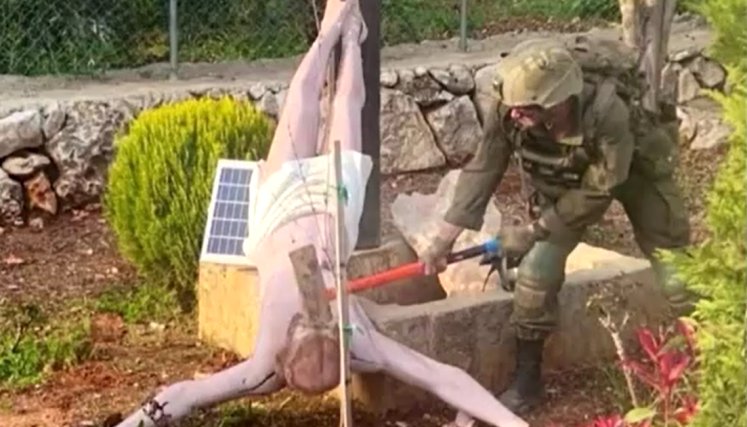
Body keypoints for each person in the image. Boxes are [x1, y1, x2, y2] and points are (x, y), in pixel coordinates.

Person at [112, 1, 528, 427]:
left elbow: (184, 395)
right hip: (331, 208)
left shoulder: (280, 363)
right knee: (342, 105)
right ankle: (344, 37)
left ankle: (341, 34)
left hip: (278, 209)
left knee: (307, 104)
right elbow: (442, 378)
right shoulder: (348, 346)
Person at [421, 38, 692, 416]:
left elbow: (601, 187)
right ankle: (527, 381)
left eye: (527, 107)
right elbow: (484, 168)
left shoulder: (607, 111)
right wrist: (443, 239)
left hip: (633, 173)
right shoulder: (509, 107)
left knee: (673, 265)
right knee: (536, 271)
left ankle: (706, 352)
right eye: (513, 106)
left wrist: (533, 231)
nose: (515, 113)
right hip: (567, 182)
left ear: (559, 101)